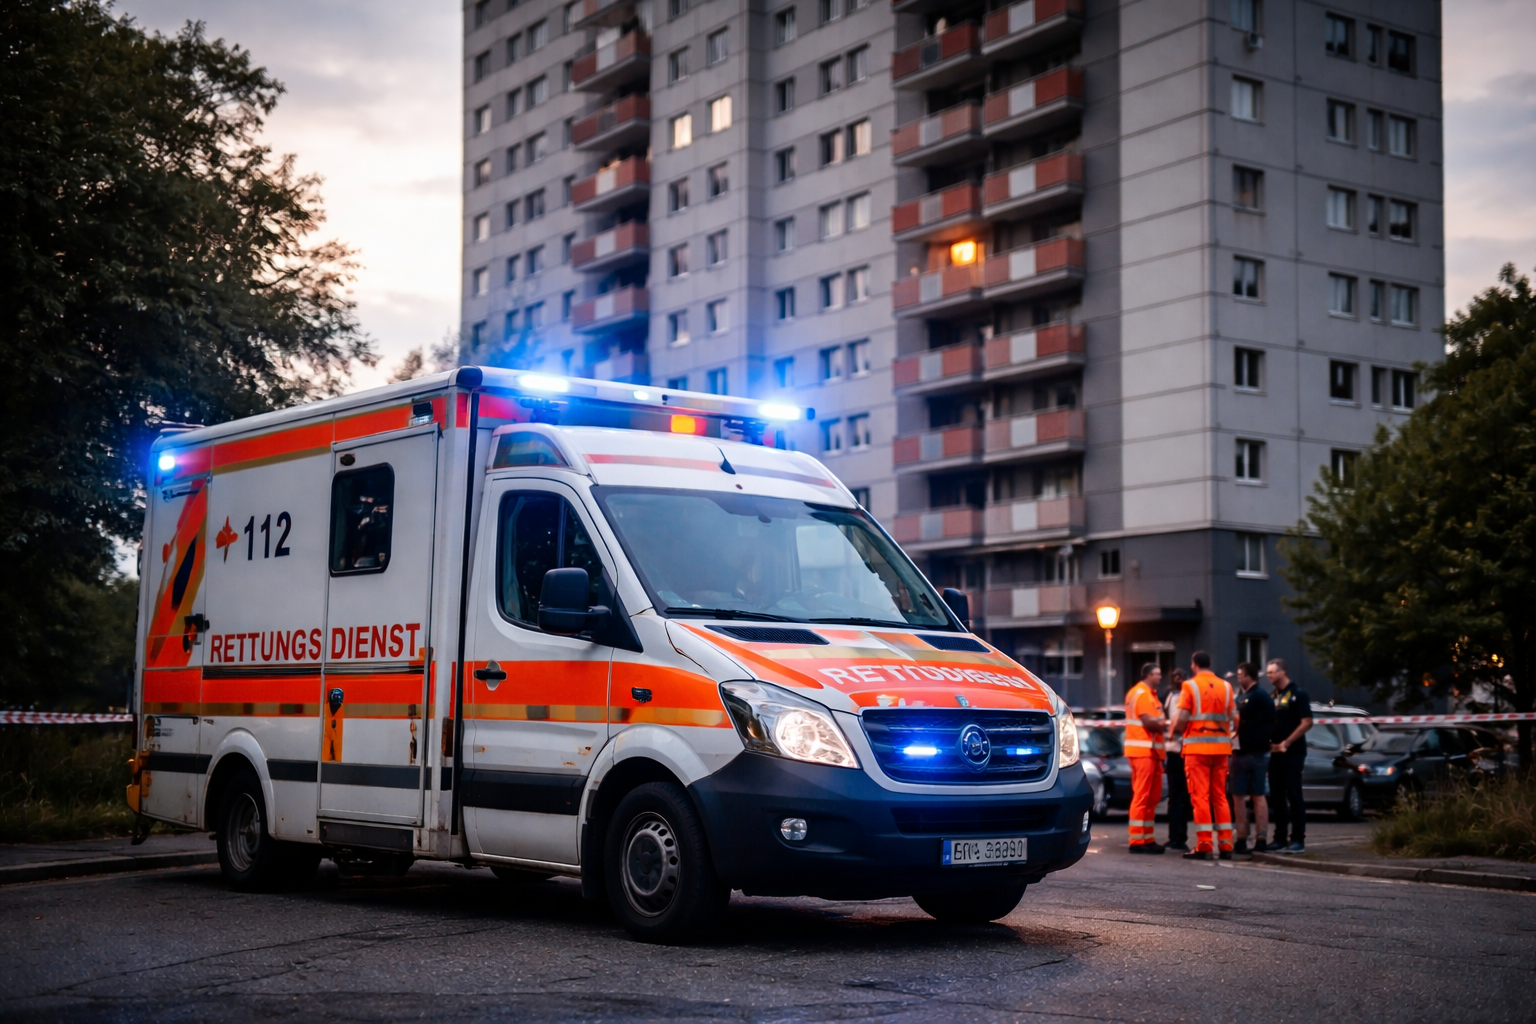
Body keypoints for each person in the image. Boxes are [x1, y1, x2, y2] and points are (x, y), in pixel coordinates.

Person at [1171, 651, 1235, 860]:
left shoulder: (1190, 686)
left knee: (1200, 797)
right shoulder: (1226, 686)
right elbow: (1235, 716)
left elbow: (1182, 717)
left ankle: (1204, 844)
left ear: (1194, 664)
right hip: (1221, 749)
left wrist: (1175, 731)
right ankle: (1226, 844)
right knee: (1220, 796)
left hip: (1197, 750)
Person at [1267, 658, 1312, 853]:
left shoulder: (1298, 694)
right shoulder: (1273, 696)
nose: (1268, 675)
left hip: (1292, 752)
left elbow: (1307, 722)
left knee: (1294, 794)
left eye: (1271, 672)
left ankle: (1297, 839)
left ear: (1282, 672)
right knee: (1276, 795)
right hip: (1274, 753)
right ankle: (1279, 837)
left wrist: (1288, 742)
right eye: (1267, 672)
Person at [1228, 661, 1274, 854]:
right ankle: (1250, 838)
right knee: (1247, 796)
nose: (1238, 678)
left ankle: (1252, 838)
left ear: (1249, 676)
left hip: (1251, 753)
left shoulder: (1256, 696)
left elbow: (1241, 717)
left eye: (1240, 675)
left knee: (1250, 795)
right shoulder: (1251, 696)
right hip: (1248, 752)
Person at [1123, 663, 1167, 854]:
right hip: (1144, 752)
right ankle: (1137, 839)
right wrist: (1163, 724)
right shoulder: (1142, 694)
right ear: (1148, 675)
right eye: (1157, 674)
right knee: (1142, 795)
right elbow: (1149, 721)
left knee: (1151, 796)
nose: (1160, 677)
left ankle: (1146, 837)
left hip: (1150, 752)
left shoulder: (1145, 694)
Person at [1162, 668, 1192, 851]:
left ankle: (1177, 837)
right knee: (1181, 797)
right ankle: (1178, 836)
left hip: (1177, 750)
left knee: (1177, 797)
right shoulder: (1176, 697)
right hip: (1181, 750)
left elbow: (1175, 721)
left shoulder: (1172, 696)